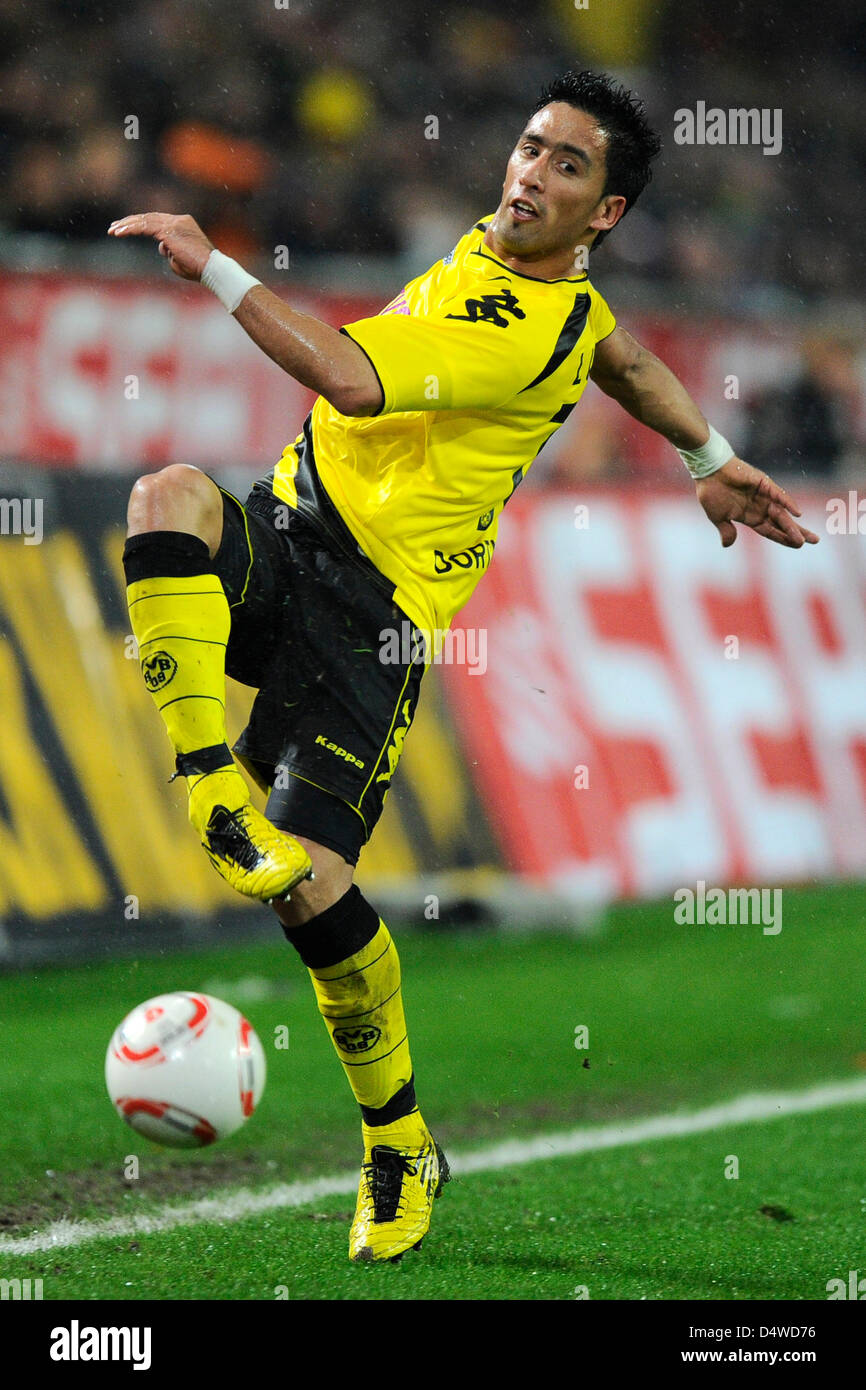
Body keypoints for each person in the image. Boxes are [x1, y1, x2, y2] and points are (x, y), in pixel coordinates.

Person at [108, 70, 819, 1265]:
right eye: (530, 148)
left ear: (606, 214)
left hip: (370, 620)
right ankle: (208, 788)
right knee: (166, 497)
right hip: (293, 532)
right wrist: (707, 449)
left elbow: (345, 375)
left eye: (566, 167)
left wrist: (213, 265)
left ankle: (397, 1139)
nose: (530, 174)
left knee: (309, 891)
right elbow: (627, 357)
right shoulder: (549, 291)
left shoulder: (523, 327)